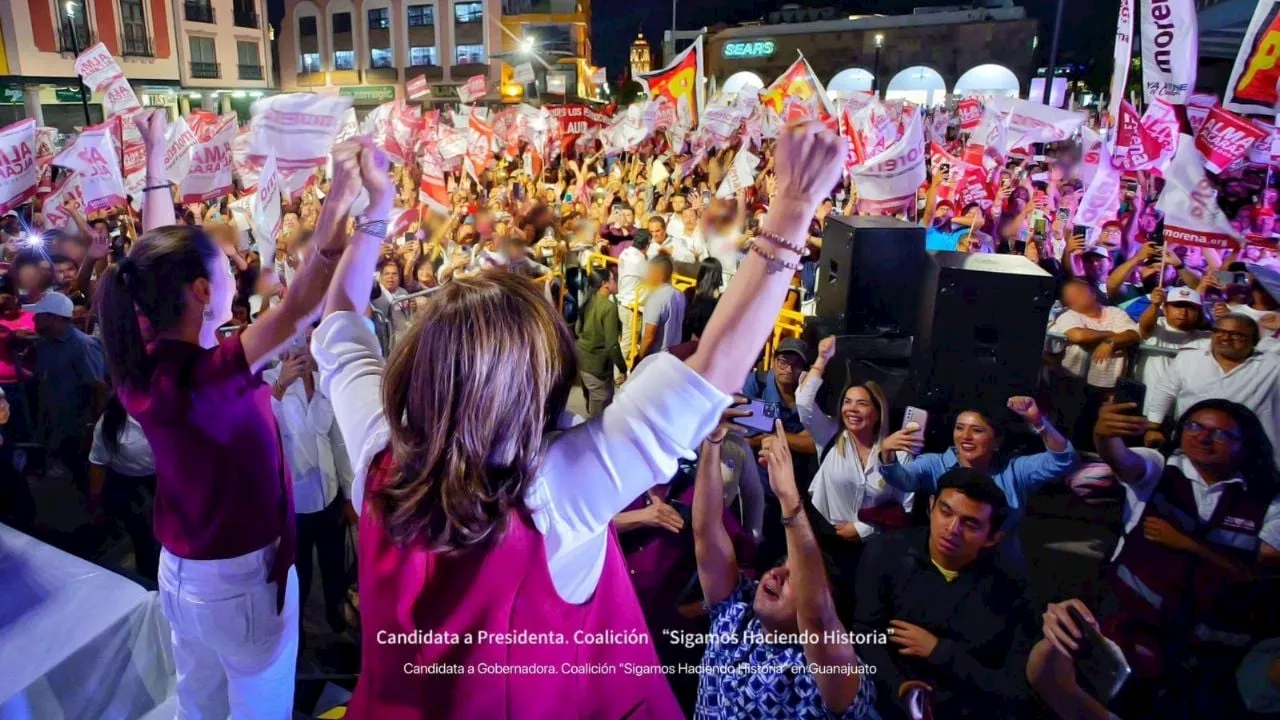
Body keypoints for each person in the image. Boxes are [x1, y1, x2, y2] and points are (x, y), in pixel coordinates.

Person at [311, 120, 846, 717]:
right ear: (536, 390)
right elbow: (716, 367)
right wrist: (795, 205)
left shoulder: (379, 458)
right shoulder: (555, 495)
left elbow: (340, 328)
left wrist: (365, 212)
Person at [94, 111, 388, 718]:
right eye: (227, 268)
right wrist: (339, 201)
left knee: (199, 706)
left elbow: (149, 265)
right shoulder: (213, 376)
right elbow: (303, 304)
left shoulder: (141, 361)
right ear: (201, 292)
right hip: (240, 586)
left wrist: (154, 162)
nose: (241, 272)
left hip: (181, 576)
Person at [1028, 400, 1280, 719]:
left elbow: (1255, 574)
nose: (1203, 437)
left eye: (1220, 433)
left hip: (1212, 654)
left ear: (1246, 445)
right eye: (1194, 426)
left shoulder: (1265, 499)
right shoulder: (1159, 468)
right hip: (1127, 631)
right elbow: (1121, 459)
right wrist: (1103, 435)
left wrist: (1188, 544)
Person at [692, 419, 877, 719]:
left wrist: (789, 499)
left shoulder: (829, 672)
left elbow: (817, 617)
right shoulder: (736, 613)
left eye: (796, 579)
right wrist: (713, 442)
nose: (776, 574)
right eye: (780, 565)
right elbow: (706, 531)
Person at [853, 467, 1037, 719]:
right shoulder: (885, 552)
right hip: (885, 700)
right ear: (931, 506)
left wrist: (940, 652)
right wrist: (899, 688)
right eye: (945, 511)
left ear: (992, 538)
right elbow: (864, 633)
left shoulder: (1011, 590)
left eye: (970, 523)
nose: (952, 529)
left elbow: (1013, 689)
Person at [879, 399, 1076, 560]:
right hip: (948, 562)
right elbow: (903, 480)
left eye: (977, 430)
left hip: (1001, 567)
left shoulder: (1014, 469)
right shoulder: (935, 464)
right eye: (959, 428)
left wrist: (1038, 421)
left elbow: (1064, 460)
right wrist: (887, 452)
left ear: (997, 441)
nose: (965, 437)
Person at [265, 339, 353, 634]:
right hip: (293, 504)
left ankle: (337, 615)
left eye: (305, 343)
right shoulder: (268, 383)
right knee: (296, 573)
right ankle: (296, 632)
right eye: (293, 344)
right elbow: (265, 431)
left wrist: (350, 493)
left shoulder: (325, 383)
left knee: (334, 566)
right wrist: (280, 385)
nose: (300, 352)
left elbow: (338, 441)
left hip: (329, 495)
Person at [797, 335, 912, 541]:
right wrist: (822, 359)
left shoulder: (897, 454)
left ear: (878, 412)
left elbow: (906, 508)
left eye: (862, 403)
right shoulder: (830, 436)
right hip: (824, 540)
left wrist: (863, 529)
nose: (852, 409)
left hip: (875, 547)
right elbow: (804, 403)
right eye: (847, 402)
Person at [1144, 313, 1280, 469]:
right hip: (1195, 447)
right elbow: (1165, 391)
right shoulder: (1188, 358)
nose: (1225, 338)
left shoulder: (1273, 365)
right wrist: (1153, 427)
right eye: (1219, 331)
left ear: (1254, 340)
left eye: (1236, 334)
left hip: (1250, 457)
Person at [29, 290, 105, 494]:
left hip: (77, 427)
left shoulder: (83, 346)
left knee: (80, 477)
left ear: (53, 318)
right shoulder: (44, 343)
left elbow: (99, 388)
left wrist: (93, 427)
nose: (34, 319)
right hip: (52, 422)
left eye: (39, 314)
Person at [88, 394, 159, 583]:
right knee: (142, 536)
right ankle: (149, 581)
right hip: (128, 483)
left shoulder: (168, 409)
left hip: (164, 477)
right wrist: (95, 501)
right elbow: (98, 463)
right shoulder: (110, 422)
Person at [1135, 286, 1210, 390]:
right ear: (1165, 309)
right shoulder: (1156, 325)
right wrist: (1154, 305)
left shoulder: (1207, 338)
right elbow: (1145, 327)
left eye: (1191, 308)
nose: (1183, 312)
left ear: (1199, 313)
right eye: (1177, 306)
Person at [575, 267, 626, 417]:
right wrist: (622, 368)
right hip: (597, 367)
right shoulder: (608, 308)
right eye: (613, 279)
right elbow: (612, 345)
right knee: (598, 418)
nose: (616, 282)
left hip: (582, 361)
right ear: (605, 284)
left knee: (591, 404)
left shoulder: (588, 299)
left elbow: (578, 330)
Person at [636, 255, 687, 360]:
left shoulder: (656, 299)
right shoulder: (680, 295)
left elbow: (649, 336)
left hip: (656, 358)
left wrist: (639, 358)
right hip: (673, 357)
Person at [616, 233, 651, 363]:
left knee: (627, 340)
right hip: (631, 305)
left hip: (624, 301)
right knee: (628, 342)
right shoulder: (639, 260)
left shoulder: (625, 253)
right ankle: (617, 375)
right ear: (647, 245)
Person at [684, 257, 722, 342]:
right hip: (704, 344)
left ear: (700, 272)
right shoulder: (719, 301)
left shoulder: (689, 292)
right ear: (718, 276)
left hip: (685, 341)